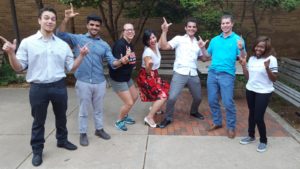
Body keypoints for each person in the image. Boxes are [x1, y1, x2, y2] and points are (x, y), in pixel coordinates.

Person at [0, 7, 88, 166]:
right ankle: (37, 150)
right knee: (38, 120)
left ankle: (62, 140)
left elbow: (71, 68)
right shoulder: (28, 42)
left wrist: (81, 56)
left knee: (61, 117)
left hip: (59, 86)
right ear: (39, 20)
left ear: (55, 22)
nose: (50, 21)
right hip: (38, 88)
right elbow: (19, 68)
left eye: (53, 19)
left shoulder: (62, 45)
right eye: (46, 18)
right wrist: (11, 54)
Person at [56, 5, 127, 146]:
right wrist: (66, 19)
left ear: (100, 27)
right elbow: (60, 35)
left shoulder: (104, 45)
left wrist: (121, 61)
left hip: (99, 82)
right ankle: (83, 133)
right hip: (83, 81)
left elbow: (113, 63)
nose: (94, 27)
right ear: (87, 25)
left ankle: (99, 130)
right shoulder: (78, 39)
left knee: (99, 109)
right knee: (83, 110)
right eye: (92, 25)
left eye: (97, 25)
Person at [198, 14, 246, 139]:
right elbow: (207, 56)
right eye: (223, 23)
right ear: (221, 25)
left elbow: (243, 57)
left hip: (227, 75)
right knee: (212, 100)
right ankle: (217, 122)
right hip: (213, 73)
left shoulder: (237, 40)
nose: (225, 25)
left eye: (227, 23)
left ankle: (231, 127)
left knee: (228, 102)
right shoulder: (215, 40)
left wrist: (241, 49)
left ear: (232, 24)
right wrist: (202, 48)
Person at [158, 17, 207, 128]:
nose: (191, 28)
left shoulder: (198, 43)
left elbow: (204, 59)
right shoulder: (179, 39)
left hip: (193, 73)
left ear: (196, 29)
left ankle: (194, 111)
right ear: (185, 28)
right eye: (189, 26)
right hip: (180, 72)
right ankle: (168, 118)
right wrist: (164, 31)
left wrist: (203, 48)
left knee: (198, 97)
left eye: (194, 27)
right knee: (172, 98)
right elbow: (164, 46)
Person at [239, 36, 278, 152]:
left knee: (258, 116)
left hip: (264, 92)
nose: (258, 48)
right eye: (257, 46)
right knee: (251, 113)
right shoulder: (252, 59)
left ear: (266, 48)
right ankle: (251, 136)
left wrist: (267, 68)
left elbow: (274, 79)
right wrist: (243, 65)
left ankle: (263, 140)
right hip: (250, 89)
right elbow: (248, 77)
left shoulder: (271, 59)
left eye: (262, 47)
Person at [136, 29, 170, 128]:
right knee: (162, 96)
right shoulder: (147, 52)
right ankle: (149, 117)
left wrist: (164, 30)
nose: (152, 40)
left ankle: (155, 107)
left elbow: (161, 42)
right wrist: (149, 65)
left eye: (153, 37)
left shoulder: (155, 46)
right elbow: (147, 70)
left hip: (154, 74)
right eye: (149, 39)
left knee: (165, 89)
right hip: (146, 76)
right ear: (146, 41)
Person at [109, 23, 138, 131]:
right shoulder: (119, 45)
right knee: (129, 102)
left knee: (135, 97)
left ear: (134, 32)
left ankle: (125, 115)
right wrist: (122, 61)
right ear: (123, 32)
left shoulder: (130, 44)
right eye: (127, 30)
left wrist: (131, 65)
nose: (130, 31)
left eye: (131, 29)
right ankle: (119, 121)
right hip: (118, 78)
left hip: (126, 77)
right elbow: (114, 63)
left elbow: (130, 59)